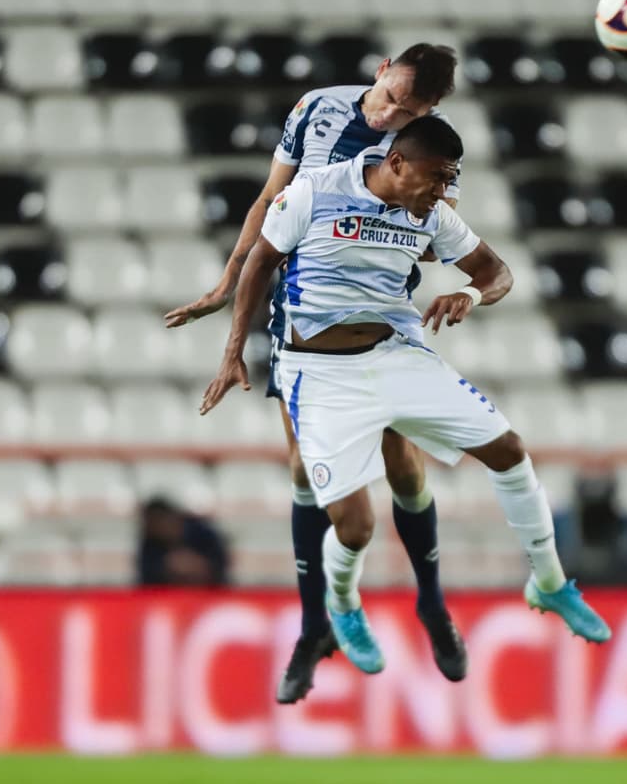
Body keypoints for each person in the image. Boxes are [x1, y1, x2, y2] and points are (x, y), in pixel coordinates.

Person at [199, 116, 611, 674]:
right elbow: (259, 265)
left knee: (509, 449)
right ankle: (342, 605)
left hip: (395, 355)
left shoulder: (432, 216)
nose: (443, 192)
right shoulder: (314, 193)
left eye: (450, 180)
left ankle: (550, 583)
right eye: (437, 177)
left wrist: (470, 292)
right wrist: (231, 353)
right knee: (355, 527)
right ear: (396, 163)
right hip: (320, 375)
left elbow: (498, 273)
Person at [165, 44, 466, 703]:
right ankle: (312, 629)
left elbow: (428, 223)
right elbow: (272, 200)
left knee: (405, 469)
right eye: (391, 98)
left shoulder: (425, 150)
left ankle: (433, 605)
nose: (392, 116)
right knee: (307, 473)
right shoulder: (317, 109)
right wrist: (228, 281)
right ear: (383, 68)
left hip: (382, 326)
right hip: (301, 320)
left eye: (409, 112)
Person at [137, 496, 231, 587]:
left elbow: (221, 567)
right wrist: (166, 568)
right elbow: (147, 579)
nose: (159, 527)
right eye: (152, 524)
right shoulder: (150, 543)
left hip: (210, 595)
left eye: (160, 520)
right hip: (169, 597)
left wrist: (199, 566)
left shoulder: (203, 533)